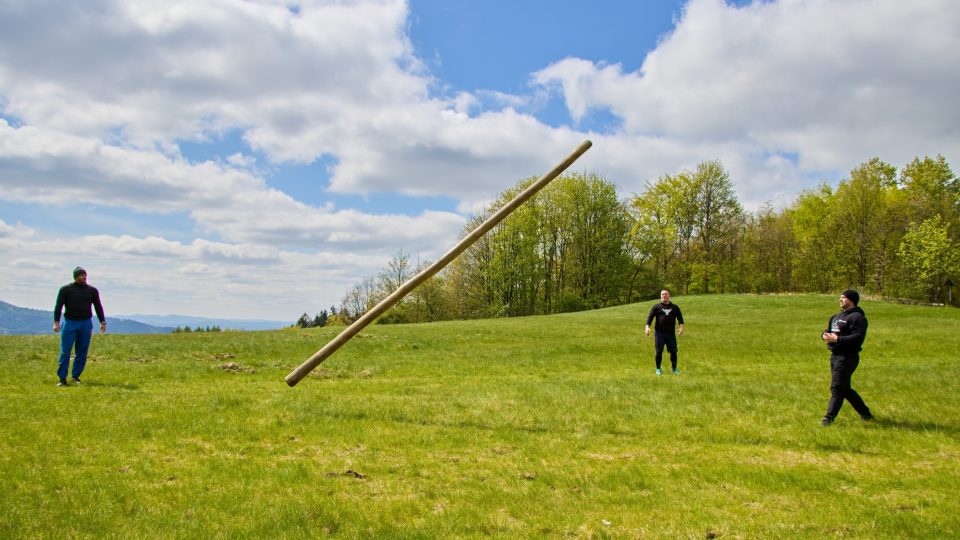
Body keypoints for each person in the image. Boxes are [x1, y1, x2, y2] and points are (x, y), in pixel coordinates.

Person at [819, 289, 873, 426]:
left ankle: (828, 419)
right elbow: (827, 332)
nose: (840, 300)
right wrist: (824, 336)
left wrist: (838, 339)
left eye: (843, 297)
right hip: (834, 356)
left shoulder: (857, 318)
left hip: (848, 356)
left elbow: (858, 337)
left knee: (837, 388)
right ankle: (866, 414)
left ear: (852, 300)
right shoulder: (836, 317)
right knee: (845, 389)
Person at [53, 267, 106, 386]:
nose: (84, 277)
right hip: (70, 322)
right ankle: (62, 379)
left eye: (85, 275)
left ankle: (75, 376)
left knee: (82, 351)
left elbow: (98, 306)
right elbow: (58, 306)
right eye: (82, 275)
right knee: (65, 351)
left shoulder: (92, 290)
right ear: (76, 277)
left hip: (86, 322)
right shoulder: (66, 289)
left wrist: (102, 322)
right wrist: (56, 322)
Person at [645, 289, 684, 375]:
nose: (664, 296)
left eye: (665, 294)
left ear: (669, 296)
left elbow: (680, 318)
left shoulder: (675, 307)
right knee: (659, 351)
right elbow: (650, 317)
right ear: (660, 296)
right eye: (662, 294)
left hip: (670, 334)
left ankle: (674, 369)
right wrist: (647, 327)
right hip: (659, 333)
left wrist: (681, 328)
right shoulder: (656, 307)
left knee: (673, 351)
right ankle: (658, 369)